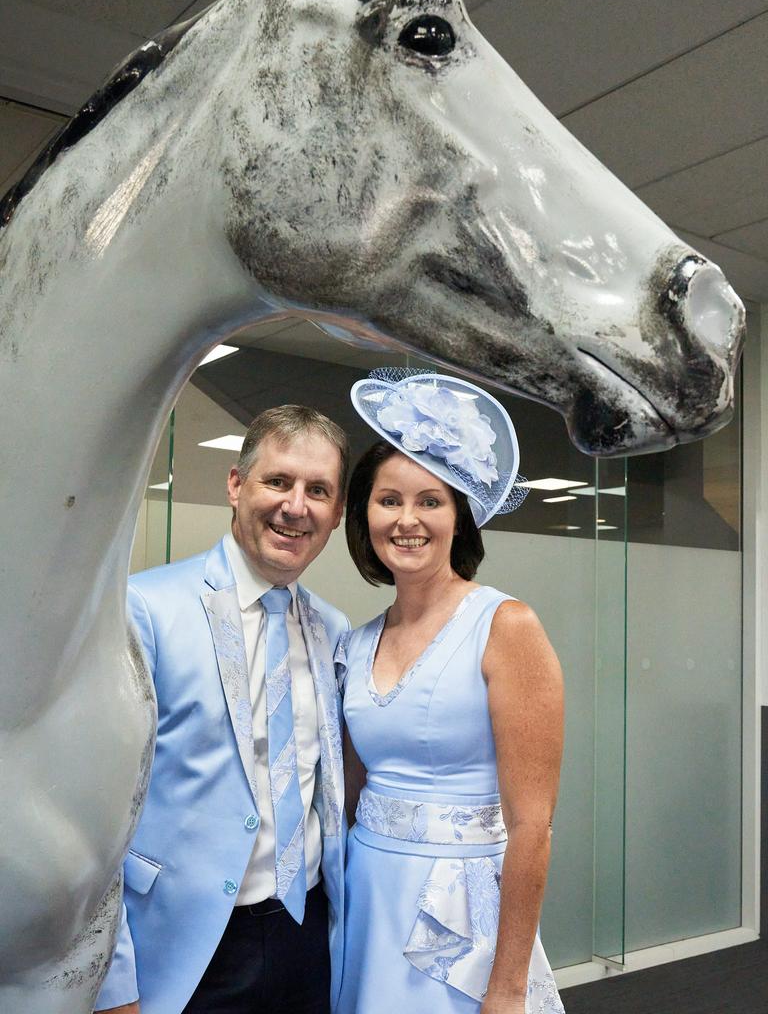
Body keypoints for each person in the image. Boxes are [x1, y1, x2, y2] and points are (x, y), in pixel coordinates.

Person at [96, 405, 350, 1014]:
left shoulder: (331, 629)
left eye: (318, 490)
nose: (297, 506)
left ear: (337, 514)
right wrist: (112, 985)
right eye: (278, 481)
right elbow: (95, 819)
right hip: (184, 952)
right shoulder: (143, 611)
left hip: (308, 932)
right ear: (236, 486)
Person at [336, 370, 565, 1014]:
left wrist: (508, 987)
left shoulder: (505, 625)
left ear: (459, 514)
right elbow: (351, 796)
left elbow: (533, 826)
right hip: (368, 896)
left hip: (460, 917)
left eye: (430, 501)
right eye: (388, 501)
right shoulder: (354, 644)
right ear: (365, 514)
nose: (407, 521)